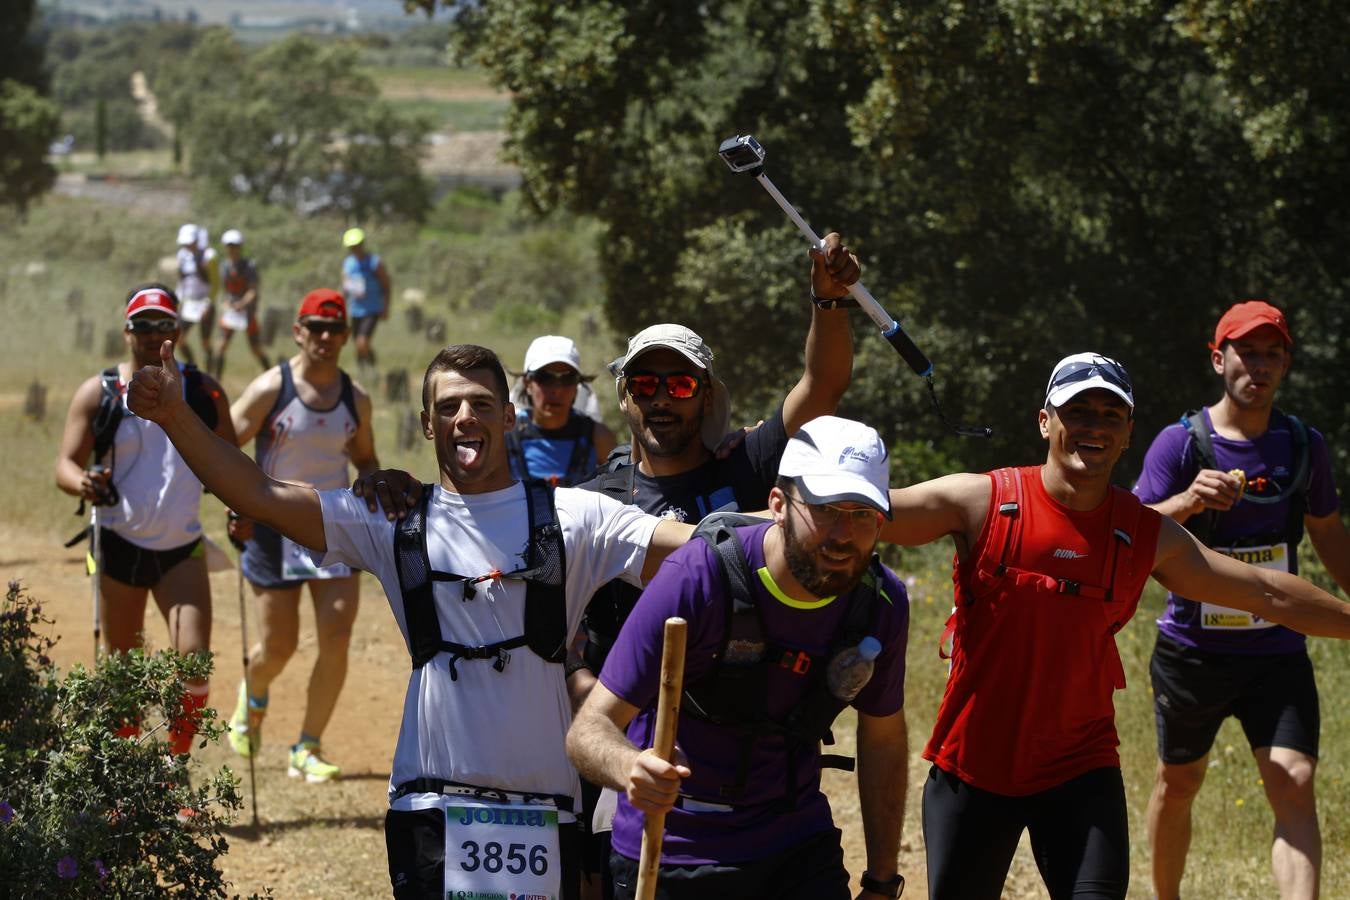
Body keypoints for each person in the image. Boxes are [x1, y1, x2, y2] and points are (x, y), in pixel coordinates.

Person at [127, 339, 698, 900]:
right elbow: (260, 493)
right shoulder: (389, 520)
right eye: (447, 407)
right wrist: (174, 415)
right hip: (428, 810)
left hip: (546, 812)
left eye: (478, 404)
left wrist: (784, 512)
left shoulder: (578, 518)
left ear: (508, 416)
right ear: (428, 424)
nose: (464, 417)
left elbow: (699, 549)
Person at [870, 352, 1350, 900]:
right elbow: (870, 513)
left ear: (1127, 434)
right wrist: (765, 527)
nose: (1094, 426)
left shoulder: (1144, 533)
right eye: (1078, 411)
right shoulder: (984, 501)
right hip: (974, 767)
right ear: (1045, 420)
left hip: (1079, 768)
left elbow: (1264, 591)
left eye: (1110, 414)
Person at [567, 232, 860, 895]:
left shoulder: (749, 468)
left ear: (705, 394)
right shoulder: (590, 500)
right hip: (623, 736)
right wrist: (595, 704)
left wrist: (828, 299)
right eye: (645, 382)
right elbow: (556, 627)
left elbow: (824, 383)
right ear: (624, 396)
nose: (661, 398)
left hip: (737, 745)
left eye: (679, 383)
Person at [567, 415, 910, 900]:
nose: (843, 535)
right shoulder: (699, 576)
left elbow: (884, 739)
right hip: (676, 847)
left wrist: (881, 879)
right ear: (778, 505)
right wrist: (631, 769)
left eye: (863, 515)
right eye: (826, 509)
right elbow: (589, 731)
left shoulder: (879, 604)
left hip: (795, 843)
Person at [1132, 301, 1350, 900]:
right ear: (1217, 358)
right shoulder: (1179, 444)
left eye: (1271, 353)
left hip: (1277, 651)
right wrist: (1187, 503)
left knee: (1295, 779)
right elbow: (1127, 533)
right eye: (1246, 352)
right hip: (1192, 652)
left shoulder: (1305, 445)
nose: (1258, 365)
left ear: (1286, 363)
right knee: (1178, 784)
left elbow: (1329, 536)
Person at [55, 283, 236, 755]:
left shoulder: (203, 390)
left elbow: (233, 466)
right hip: (118, 545)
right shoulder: (100, 392)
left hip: (182, 549)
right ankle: (127, 785)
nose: (153, 334)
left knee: (194, 665)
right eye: (143, 325)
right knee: (122, 671)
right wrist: (84, 482)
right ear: (126, 331)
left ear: (178, 330)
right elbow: (65, 466)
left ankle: (174, 777)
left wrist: (242, 510)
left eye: (164, 324)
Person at [224, 288, 380, 783]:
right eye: (316, 327)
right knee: (279, 645)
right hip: (272, 528)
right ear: (298, 332)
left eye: (336, 329)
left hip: (333, 525)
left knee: (336, 636)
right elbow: (223, 444)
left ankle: (307, 747)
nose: (326, 337)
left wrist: (374, 486)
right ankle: (253, 695)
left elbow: (366, 457)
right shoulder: (273, 387)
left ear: (347, 337)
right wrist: (239, 501)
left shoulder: (355, 399)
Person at [507, 334, 617, 486]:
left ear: (577, 385)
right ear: (527, 383)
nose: (557, 390)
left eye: (567, 379)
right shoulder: (505, 438)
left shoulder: (599, 438)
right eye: (545, 378)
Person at [211, 229, 269, 378]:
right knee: (221, 346)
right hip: (231, 311)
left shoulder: (249, 265)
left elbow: (253, 291)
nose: (232, 249)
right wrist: (225, 304)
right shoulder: (224, 266)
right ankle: (217, 380)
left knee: (255, 348)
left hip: (247, 313)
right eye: (229, 246)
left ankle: (270, 374)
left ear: (240, 246)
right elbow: (225, 291)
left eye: (235, 245)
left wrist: (242, 304)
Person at [340, 227, 392, 371]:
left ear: (362, 244)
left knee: (362, 342)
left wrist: (386, 307)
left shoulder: (375, 262)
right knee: (358, 344)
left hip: (372, 309)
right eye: (351, 247)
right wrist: (340, 307)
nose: (354, 249)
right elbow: (345, 286)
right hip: (355, 309)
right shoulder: (348, 263)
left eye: (356, 246)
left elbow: (386, 285)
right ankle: (364, 369)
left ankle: (372, 367)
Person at [174, 223, 215, 367]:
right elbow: (181, 281)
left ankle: (212, 372)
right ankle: (192, 365)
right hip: (189, 303)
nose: (187, 246)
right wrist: (177, 301)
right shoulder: (182, 256)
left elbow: (215, 283)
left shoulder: (209, 256)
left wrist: (208, 304)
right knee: (179, 337)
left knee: (205, 342)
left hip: (205, 302)